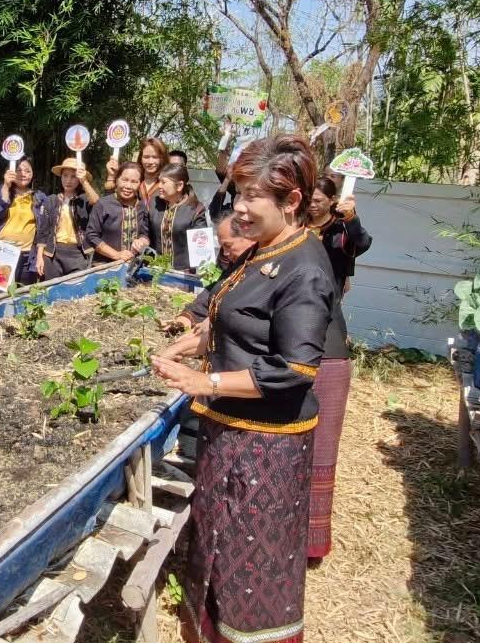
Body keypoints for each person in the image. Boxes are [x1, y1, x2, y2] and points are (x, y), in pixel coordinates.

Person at [151, 135, 334, 643]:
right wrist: (193, 343)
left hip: (265, 447)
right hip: (231, 432)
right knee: (220, 545)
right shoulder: (266, 251)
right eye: (238, 194)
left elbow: (294, 369)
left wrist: (204, 380)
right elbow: (244, 318)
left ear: (291, 201)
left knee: (252, 564)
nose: (241, 209)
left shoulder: (305, 269)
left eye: (253, 196)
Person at [303, 175, 373, 560]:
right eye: (308, 199)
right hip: (295, 331)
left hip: (328, 333)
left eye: (318, 199)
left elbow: (359, 245)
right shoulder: (293, 228)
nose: (313, 205)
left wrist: (352, 218)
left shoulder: (339, 231)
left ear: (332, 201)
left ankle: (313, 540)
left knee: (323, 443)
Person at [169, 210, 254, 331]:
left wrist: (215, 322)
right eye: (222, 247)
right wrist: (188, 317)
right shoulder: (230, 260)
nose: (225, 253)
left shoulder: (268, 268)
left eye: (228, 245)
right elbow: (216, 288)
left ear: (249, 237)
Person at [35, 157, 99, 281]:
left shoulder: (84, 200)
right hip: (53, 254)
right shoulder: (51, 200)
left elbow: (97, 204)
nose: (68, 180)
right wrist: (39, 257)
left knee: (75, 294)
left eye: (73, 176)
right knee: (51, 292)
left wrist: (84, 181)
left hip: (78, 254)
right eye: (65, 175)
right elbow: (43, 231)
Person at [0, 156, 46, 284]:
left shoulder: (39, 197)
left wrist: (40, 256)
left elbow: (43, 229)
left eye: (27, 171)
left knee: (23, 293)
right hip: (1, 252)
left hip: (27, 255)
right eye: (18, 170)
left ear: (33, 174)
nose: (23, 174)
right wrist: (5, 187)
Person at [146, 163, 207, 271]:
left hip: (182, 274)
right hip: (153, 270)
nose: (159, 186)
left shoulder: (196, 210)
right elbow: (144, 229)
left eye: (163, 182)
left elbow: (201, 248)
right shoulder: (153, 203)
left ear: (179, 186)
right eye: (159, 181)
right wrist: (142, 238)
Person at [86, 161, 148, 264]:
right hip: (104, 266)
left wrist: (142, 241)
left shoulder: (142, 206)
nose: (128, 186)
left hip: (134, 266)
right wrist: (116, 255)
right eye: (124, 180)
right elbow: (91, 235)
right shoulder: (103, 204)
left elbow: (145, 232)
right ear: (116, 180)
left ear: (140, 184)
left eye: (134, 182)